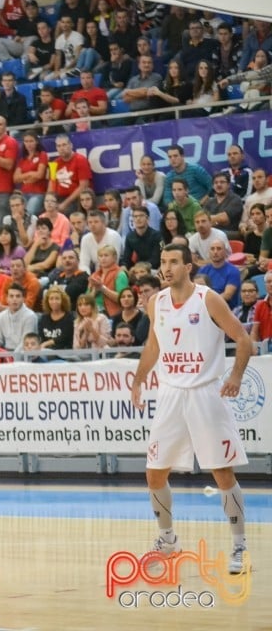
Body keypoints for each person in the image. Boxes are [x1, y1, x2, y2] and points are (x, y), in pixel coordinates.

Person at [131, 243, 253, 575]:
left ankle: (240, 544)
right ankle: (167, 540)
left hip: (204, 392)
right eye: (162, 262)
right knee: (154, 472)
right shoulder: (156, 302)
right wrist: (139, 379)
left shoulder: (207, 298)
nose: (166, 268)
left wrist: (237, 376)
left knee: (222, 472)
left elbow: (244, 340)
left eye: (173, 262)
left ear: (189, 266)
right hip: (170, 393)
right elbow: (154, 345)